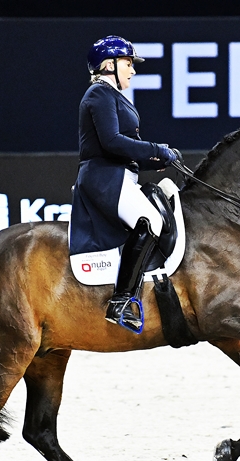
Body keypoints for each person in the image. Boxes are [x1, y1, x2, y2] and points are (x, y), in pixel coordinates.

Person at [69, 35, 178, 332]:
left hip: (118, 174)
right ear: (109, 65)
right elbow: (112, 142)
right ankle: (121, 301)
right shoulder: (99, 94)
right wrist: (156, 149)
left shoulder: (113, 96)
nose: (133, 70)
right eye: (128, 64)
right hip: (104, 178)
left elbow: (125, 152)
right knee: (151, 220)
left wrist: (158, 161)